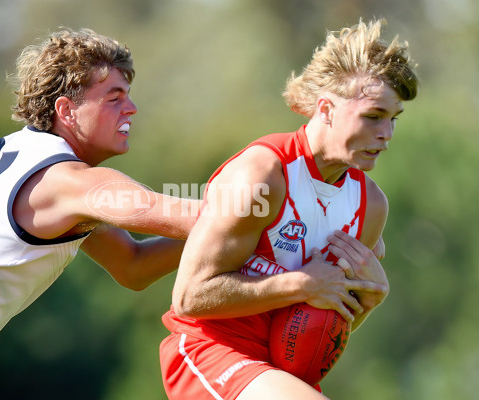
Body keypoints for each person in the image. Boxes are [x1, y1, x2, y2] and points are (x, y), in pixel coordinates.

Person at [0, 28, 199, 400]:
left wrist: (231, 227)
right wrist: (258, 202)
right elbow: (169, 211)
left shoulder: (22, 156)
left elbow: (133, 265)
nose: (131, 108)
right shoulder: (65, 182)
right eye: (114, 98)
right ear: (66, 110)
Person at [159, 19, 419, 400]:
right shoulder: (263, 175)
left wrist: (366, 302)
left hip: (278, 373)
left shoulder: (372, 205)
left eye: (393, 119)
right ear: (326, 109)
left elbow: (320, 328)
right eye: (373, 116)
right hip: (211, 353)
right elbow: (190, 296)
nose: (387, 134)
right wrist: (301, 283)